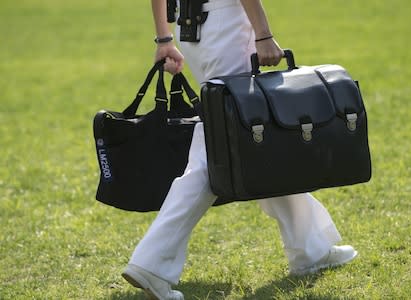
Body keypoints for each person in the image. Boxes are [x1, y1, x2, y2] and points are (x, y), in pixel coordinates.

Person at [121, 1, 358, 299]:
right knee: (221, 146)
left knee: (255, 137)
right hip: (225, 23)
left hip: (190, 26)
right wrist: (263, 33)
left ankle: (311, 249)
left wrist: (165, 36)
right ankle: (151, 264)